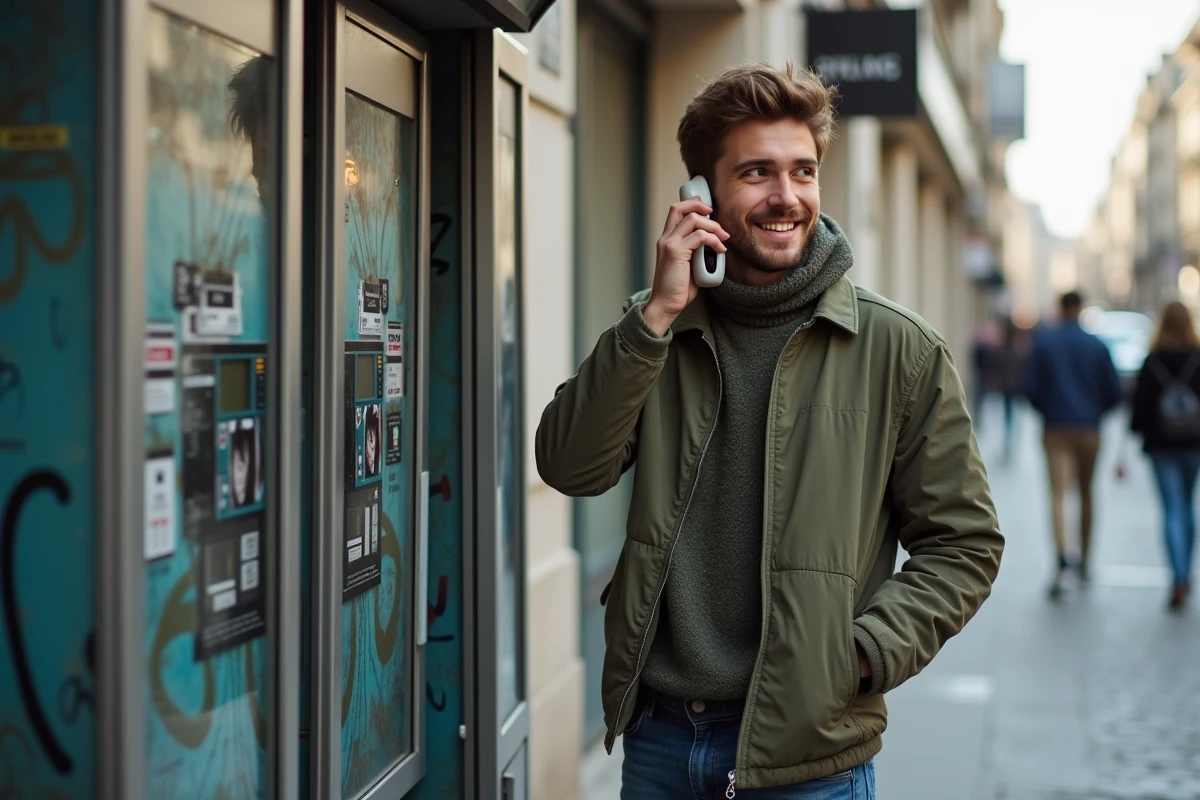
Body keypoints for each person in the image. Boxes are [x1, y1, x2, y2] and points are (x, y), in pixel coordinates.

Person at [535, 62, 1003, 798]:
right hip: (659, 742)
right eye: (756, 172)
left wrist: (858, 654)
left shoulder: (899, 350)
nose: (787, 197)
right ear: (702, 194)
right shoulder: (653, 330)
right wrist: (654, 317)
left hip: (808, 756)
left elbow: (965, 543)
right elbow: (569, 465)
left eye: (803, 171)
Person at [1021, 291, 1122, 599]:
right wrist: (1093, 412)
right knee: (1087, 492)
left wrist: (1050, 409)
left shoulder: (1045, 344)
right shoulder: (1097, 345)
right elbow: (1114, 391)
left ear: (1060, 308)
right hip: (1089, 428)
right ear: (1079, 309)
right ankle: (1086, 558)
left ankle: (1063, 555)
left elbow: (1029, 388)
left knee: (1057, 495)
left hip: (1055, 428)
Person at [1130, 301, 1200, 610]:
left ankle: (1179, 577)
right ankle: (1186, 571)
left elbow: (1139, 409)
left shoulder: (1152, 361)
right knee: (1187, 505)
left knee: (1171, 508)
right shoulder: (1198, 359)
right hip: (1193, 444)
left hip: (1161, 447)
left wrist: (1141, 432)